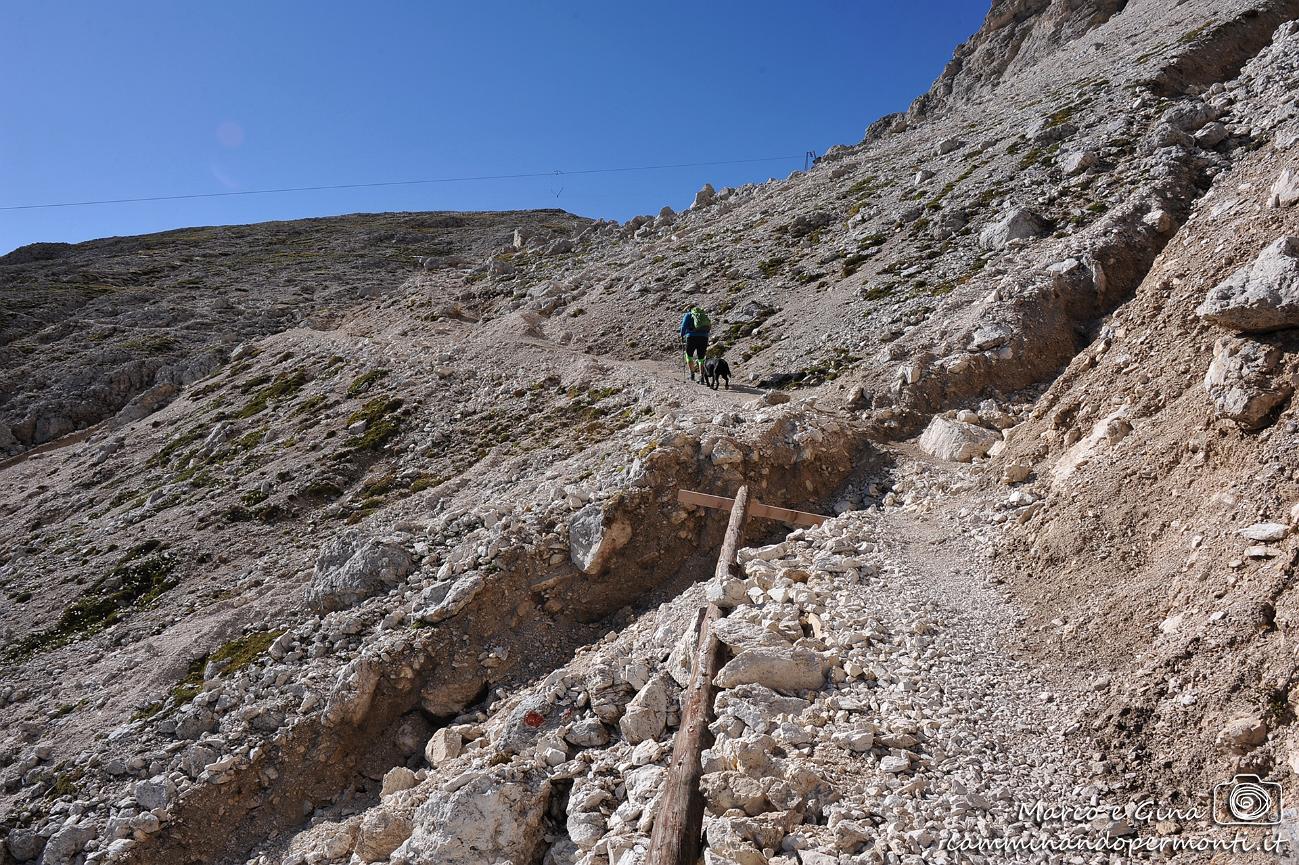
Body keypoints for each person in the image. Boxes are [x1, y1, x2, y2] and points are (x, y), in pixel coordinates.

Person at [679, 305, 711, 380]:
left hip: (691, 337)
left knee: (689, 356)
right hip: (704, 337)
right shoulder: (703, 315)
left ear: (689, 309)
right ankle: (702, 376)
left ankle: (692, 374)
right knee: (701, 358)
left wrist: (682, 335)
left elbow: (683, 326)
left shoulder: (688, 315)